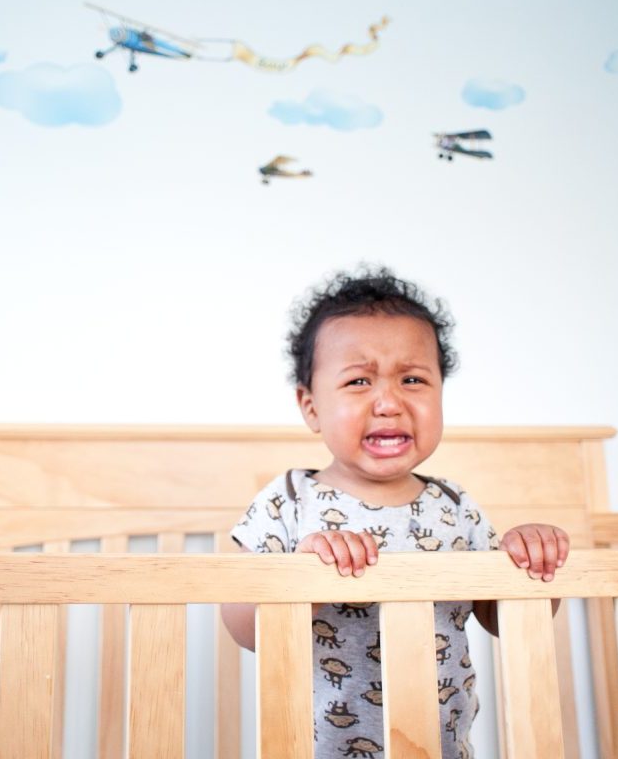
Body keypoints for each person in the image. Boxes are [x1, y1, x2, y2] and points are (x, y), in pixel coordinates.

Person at [220, 266, 569, 759]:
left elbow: (504, 617)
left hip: (440, 748)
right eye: (359, 380)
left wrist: (530, 561)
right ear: (311, 406)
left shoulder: (455, 506)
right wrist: (301, 577)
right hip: (315, 749)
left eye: (413, 379)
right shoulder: (289, 500)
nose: (388, 402)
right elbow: (243, 627)